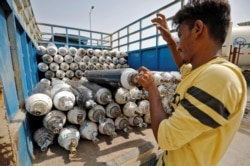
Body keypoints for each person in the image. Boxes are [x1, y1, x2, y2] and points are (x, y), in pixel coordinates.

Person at [138, 0, 247, 165]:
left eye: (180, 35)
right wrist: (170, 41)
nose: (179, 46)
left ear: (198, 29)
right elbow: (182, 65)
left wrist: (152, 89)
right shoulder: (201, 71)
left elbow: (165, 138)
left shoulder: (220, 78)